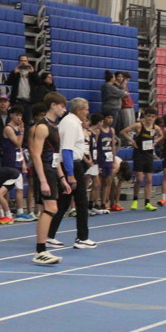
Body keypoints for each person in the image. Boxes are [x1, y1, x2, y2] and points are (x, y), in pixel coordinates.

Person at [46, 97, 96, 250]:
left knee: (63, 202)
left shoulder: (71, 122)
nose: (87, 112)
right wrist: (70, 174)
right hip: (72, 165)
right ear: (79, 110)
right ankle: (82, 238)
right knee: (81, 202)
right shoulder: (71, 124)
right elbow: (67, 149)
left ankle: (49, 235)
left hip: (71, 164)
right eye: (86, 109)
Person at [29, 93, 72, 265]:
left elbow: (56, 155)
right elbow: (36, 154)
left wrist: (62, 178)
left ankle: (41, 249)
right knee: (51, 208)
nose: (64, 109)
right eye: (62, 106)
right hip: (45, 170)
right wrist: (43, 180)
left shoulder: (55, 127)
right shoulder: (42, 127)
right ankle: (40, 250)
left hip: (53, 169)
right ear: (53, 105)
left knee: (49, 209)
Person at [120, 107, 161, 211]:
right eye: (148, 116)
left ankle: (147, 203)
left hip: (149, 155)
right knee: (139, 179)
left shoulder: (155, 127)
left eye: (152, 117)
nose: (150, 119)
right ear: (145, 116)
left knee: (149, 179)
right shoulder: (139, 125)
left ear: (155, 118)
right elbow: (123, 132)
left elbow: (161, 135)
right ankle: (135, 200)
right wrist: (132, 141)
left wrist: (155, 142)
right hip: (139, 154)